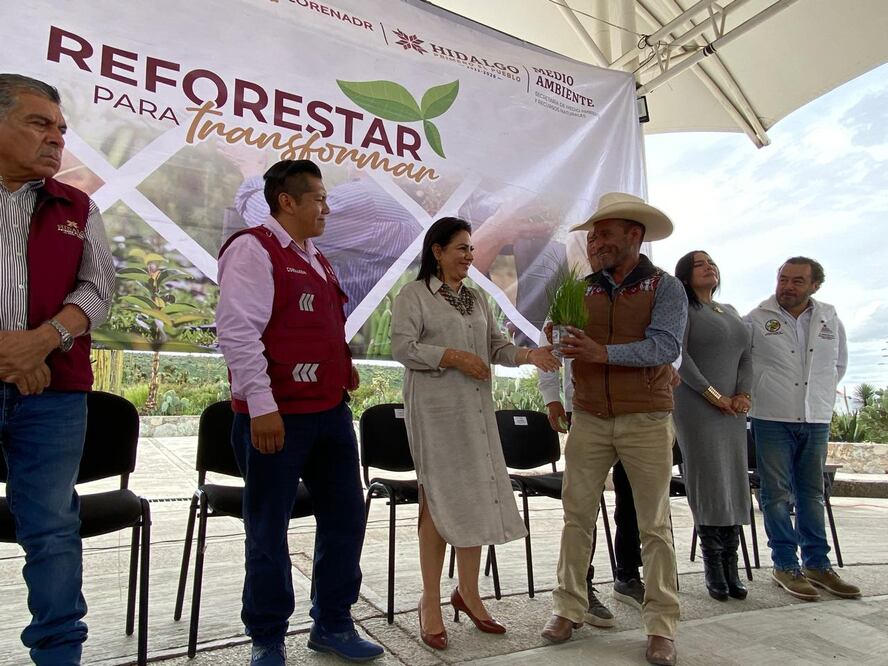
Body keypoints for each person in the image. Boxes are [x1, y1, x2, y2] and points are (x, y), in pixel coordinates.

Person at [216, 159, 384, 664]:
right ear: (286, 201)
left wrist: (344, 367)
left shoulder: (317, 257)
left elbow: (320, 323)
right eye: (318, 198)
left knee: (346, 518)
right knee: (268, 527)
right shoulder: (253, 248)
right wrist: (262, 407)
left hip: (330, 412)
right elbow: (238, 332)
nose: (327, 208)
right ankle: (267, 636)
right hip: (276, 416)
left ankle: (332, 623)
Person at [390, 216, 559, 650]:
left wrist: (529, 354)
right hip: (435, 412)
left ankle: (469, 594)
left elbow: (496, 346)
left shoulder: (478, 298)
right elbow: (403, 347)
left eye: (470, 248)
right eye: (461, 248)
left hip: (475, 413)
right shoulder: (414, 295)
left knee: (476, 498)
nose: (469, 255)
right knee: (438, 500)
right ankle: (429, 602)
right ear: (437, 251)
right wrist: (453, 356)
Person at [540, 193, 686, 666]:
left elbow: (664, 346)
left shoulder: (666, 287)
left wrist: (602, 352)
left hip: (646, 418)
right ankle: (568, 607)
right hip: (589, 418)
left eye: (604, 233)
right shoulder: (579, 289)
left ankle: (661, 624)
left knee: (654, 525)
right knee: (575, 515)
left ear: (634, 235)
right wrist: (555, 345)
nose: (595, 241)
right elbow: (562, 343)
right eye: (592, 234)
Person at [0, 73, 115, 665]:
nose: (55, 139)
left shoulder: (76, 204)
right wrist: (9, 353)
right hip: (30, 372)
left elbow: (100, 288)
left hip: (53, 391)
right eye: (39, 123)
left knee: (51, 531)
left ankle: (59, 655)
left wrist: (44, 341)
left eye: (61, 129)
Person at [538, 250, 645, 626]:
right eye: (594, 243)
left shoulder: (650, 291)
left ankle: (629, 575)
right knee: (582, 507)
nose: (600, 250)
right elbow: (551, 346)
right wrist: (553, 398)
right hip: (584, 411)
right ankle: (579, 591)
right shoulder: (574, 294)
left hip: (637, 413)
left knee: (636, 503)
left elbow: (667, 346)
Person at [745, 257, 860, 601]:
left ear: (814, 286)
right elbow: (744, 364)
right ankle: (785, 565)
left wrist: (817, 398)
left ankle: (817, 564)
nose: (788, 286)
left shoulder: (829, 317)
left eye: (797, 281)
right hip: (771, 418)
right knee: (776, 494)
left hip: (816, 419)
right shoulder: (756, 319)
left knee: (811, 493)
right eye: (783, 279)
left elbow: (838, 364)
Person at [672, 251, 752, 601]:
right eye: (700, 264)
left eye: (712, 262)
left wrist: (744, 394)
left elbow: (747, 356)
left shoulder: (730, 312)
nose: (710, 267)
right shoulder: (683, 310)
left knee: (732, 477)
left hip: (733, 411)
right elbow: (680, 356)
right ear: (686, 275)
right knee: (708, 478)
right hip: (697, 406)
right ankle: (713, 564)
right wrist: (713, 394)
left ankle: (731, 562)